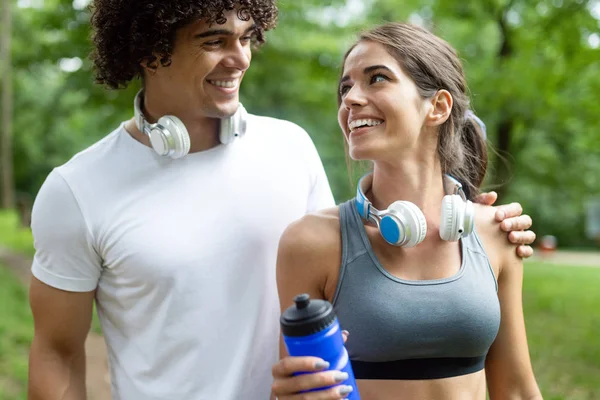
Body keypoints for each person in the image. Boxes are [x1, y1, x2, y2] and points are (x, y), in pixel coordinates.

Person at [26, 1, 535, 399]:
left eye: (247, 38)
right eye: (214, 40)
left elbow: (352, 260)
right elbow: (57, 353)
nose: (241, 57)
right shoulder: (78, 189)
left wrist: (466, 216)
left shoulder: (289, 147)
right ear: (148, 45)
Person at [271, 23, 542, 400]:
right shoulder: (311, 241)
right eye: (345, 87)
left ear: (438, 107)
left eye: (377, 79)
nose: (350, 99)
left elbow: (515, 390)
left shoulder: (496, 232)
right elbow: (301, 389)